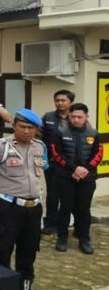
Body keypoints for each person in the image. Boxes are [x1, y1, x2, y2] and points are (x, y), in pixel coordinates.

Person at [0, 109, 50, 290]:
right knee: (4, 248)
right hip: (8, 207)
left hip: (33, 208)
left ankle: (25, 289)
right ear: (14, 126)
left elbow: (40, 172)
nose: (26, 131)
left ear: (36, 130)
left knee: (29, 250)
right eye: (22, 127)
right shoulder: (0, 146)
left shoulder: (40, 146)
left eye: (31, 128)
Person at [50, 103, 102, 254]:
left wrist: (85, 169)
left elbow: (98, 154)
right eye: (73, 117)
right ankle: (62, 238)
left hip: (87, 177)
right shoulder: (60, 132)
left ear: (86, 117)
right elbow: (56, 154)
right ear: (69, 117)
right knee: (65, 208)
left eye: (79, 117)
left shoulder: (94, 133)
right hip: (65, 176)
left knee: (84, 209)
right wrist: (74, 169)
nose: (76, 119)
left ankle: (84, 239)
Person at [40, 89, 75, 235]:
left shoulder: (75, 117)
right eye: (57, 100)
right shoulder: (48, 117)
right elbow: (39, 136)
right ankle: (50, 223)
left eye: (63, 100)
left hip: (70, 163)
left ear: (70, 102)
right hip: (52, 162)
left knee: (69, 194)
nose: (59, 103)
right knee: (52, 194)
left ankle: (66, 223)